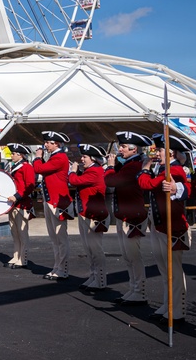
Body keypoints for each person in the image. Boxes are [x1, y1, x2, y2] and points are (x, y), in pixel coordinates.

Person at [138, 134, 193, 324]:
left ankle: (178, 308)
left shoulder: (174, 170)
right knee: (164, 270)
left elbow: (147, 184)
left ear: (171, 153)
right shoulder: (163, 168)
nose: (157, 153)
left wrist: (144, 169)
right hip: (160, 224)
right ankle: (168, 303)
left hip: (172, 227)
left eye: (160, 150)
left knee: (174, 271)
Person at [104, 131, 153, 306]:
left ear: (134, 149)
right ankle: (134, 289)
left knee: (133, 256)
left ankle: (139, 291)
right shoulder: (127, 164)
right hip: (124, 214)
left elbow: (111, 181)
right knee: (127, 256)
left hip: (132, 216)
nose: (120, 149)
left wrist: (110, 166)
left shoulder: (134, 166)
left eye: (124, 146)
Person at [69, 143, 109, 292]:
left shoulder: (95, 171)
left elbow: (74, 181)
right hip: (85, 213)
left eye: (84, 157)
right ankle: (94, 276)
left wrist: (73, 171)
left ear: (92, 158)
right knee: (89, 249)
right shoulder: (89, 170)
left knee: (95, 249)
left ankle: (100, 279)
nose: (81, 159)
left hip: (94, 215)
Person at [33, 131, 72, 280]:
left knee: (60, 238)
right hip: (50, 201)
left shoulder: (60, 157)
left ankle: (63, 269)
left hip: (57, 202)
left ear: (57, 143)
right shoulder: (54, 157)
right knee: (54, 238)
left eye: (49, 142)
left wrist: (38, 157)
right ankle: (57, 267)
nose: (45, 145)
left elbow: (39, 169)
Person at [4, 143, 37, 269]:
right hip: (13, 203)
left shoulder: (26, 167)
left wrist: (17, 196)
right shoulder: (15, 166)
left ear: (20, 155)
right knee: (15, 232)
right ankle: (16, 255)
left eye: (13, 153)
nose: (11, 155)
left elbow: (30, 185)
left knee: (22, 233)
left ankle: (23, 258)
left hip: (21, 203)